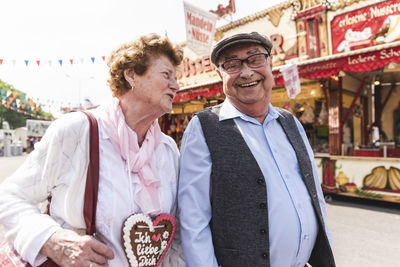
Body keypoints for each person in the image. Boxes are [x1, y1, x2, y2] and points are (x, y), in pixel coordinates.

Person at [0, 33, 185, 267]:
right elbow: (11, 195)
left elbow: (176, 232)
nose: (176, 85)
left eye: (176, 78)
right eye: (166, 75)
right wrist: (50, 239)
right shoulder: (77, 131)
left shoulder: (168, 150)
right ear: (131, 75)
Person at [178, 32, 335, 267]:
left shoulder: (290, 122)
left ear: (270, 63)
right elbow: (193, 220)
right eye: (232, 64)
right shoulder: (204, 127)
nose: (247, 72)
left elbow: (314, 197)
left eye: (255, 59)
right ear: (220, 74)